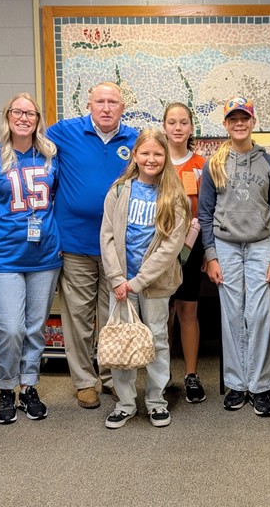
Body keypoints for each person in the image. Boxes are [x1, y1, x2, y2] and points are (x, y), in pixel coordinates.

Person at [46, 82, 139, 410]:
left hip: (117, 247)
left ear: (122, 106)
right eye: (100, 101)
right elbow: (27, 148)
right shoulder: (63, 132)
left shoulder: (134, 139)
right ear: (89, 104)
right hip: (75, 243)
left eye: (113, 101)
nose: (106, 107)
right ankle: (85, 381)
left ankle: (113, 376)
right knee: (78, 317)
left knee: (113, 315)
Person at [0, 93, 63, 424]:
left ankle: (28, 386)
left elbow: (58, 200)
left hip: (44, 255)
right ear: (8, 115)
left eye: (31, 112)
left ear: (38, 119)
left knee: (35, 328)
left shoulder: (51, 155)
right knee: (9, 328)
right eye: (18, 111)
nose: (24, 117)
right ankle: (5, 386)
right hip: (2, 255)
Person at [199, 97, 270, 417]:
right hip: (226, 246)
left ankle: (261, 385)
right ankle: (237, 383)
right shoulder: (215, 164)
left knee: (260, 313)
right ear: (225, 124)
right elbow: (205, 212)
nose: (239, 123)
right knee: (233, 314)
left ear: (252, 121)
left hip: (262, 245)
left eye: (244, 118)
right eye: (233, 119)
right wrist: (211, 256)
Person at [100, 129, 191, 429]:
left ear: (166, 158)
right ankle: (125, 402)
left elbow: (171, 247)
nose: (151, 159)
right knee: (123, 339)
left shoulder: (174, 196)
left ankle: (156, 400)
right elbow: (107, 237)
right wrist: (116, 278)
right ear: (135, 156)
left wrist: (137, 281)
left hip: (155, 283)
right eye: (145, 153)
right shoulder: (118, 190)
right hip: (121, 282)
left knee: (157, 339)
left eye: (158, 154)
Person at [162, 102, 207, 403]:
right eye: (172, 122)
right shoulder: (153, 159)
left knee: (188, 310)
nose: (178, 128)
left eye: (183, 122)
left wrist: (208, 251)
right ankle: (161, 374)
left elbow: (207, 210)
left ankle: (191, 375)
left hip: (191, 246)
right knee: (161, 313)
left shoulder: (202, 164)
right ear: (163, 126)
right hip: (158, 249)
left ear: (191, 127)